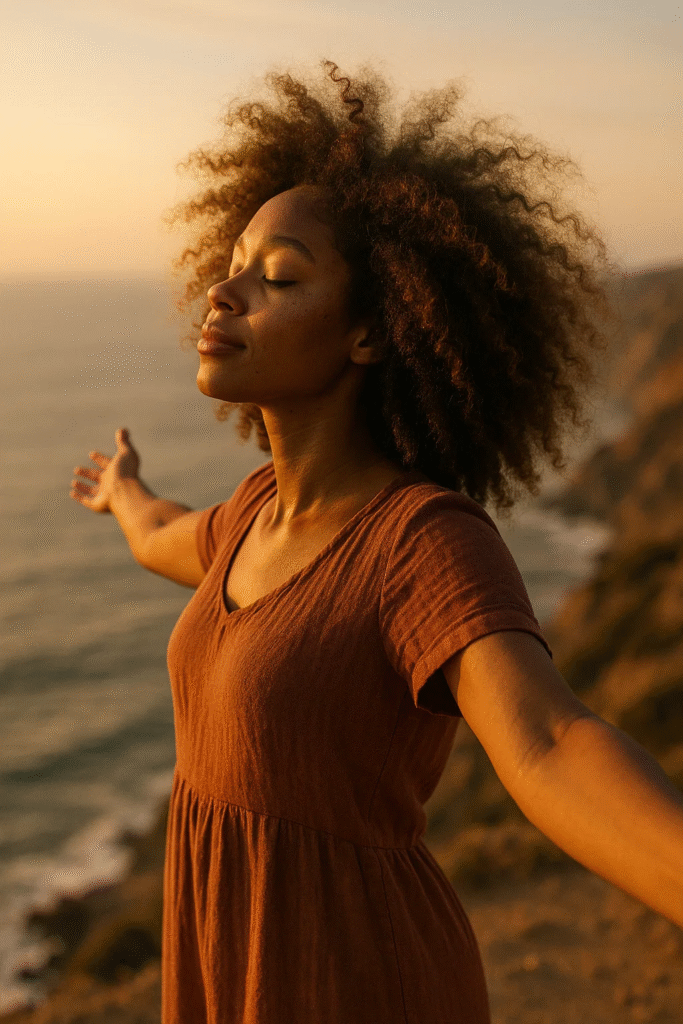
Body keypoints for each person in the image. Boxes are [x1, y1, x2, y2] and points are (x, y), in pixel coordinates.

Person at [70, 60, 683, 1023]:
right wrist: (124, 493)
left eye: (277, 277)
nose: (224, 292)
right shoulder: (251, 516)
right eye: (233, 263)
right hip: (228, 975)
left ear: (368, 334)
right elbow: (164, 540)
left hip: (357, 983)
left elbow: (550, 740)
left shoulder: (420, 542)